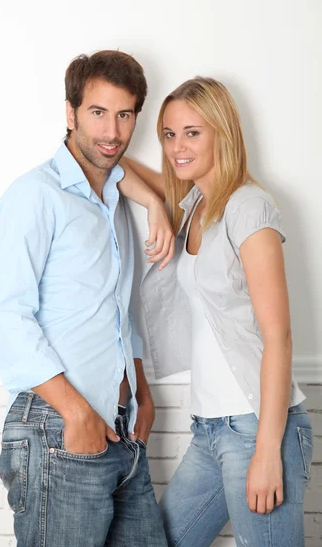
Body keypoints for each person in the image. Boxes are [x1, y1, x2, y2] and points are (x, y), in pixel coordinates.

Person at [0, 50, 173, 547]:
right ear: (70, 114)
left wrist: (143, 390)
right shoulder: (35, 195)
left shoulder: (116, 200)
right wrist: (75, 413)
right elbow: (8, 318)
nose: (112, 131)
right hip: (58, 430)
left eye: (125, 114)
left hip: (123, 432)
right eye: (97, 113)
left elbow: (119, 312)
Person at [120, 77, 314, 546]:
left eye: (192, 132)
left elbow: (278, 337)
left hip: (255, 427)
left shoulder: (249, 208)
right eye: (168, 134)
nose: (176, 147)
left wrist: (268, 451)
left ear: (222, 132)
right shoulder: (195, 207)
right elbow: (114, 162)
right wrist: (153, 202)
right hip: (209, 431)